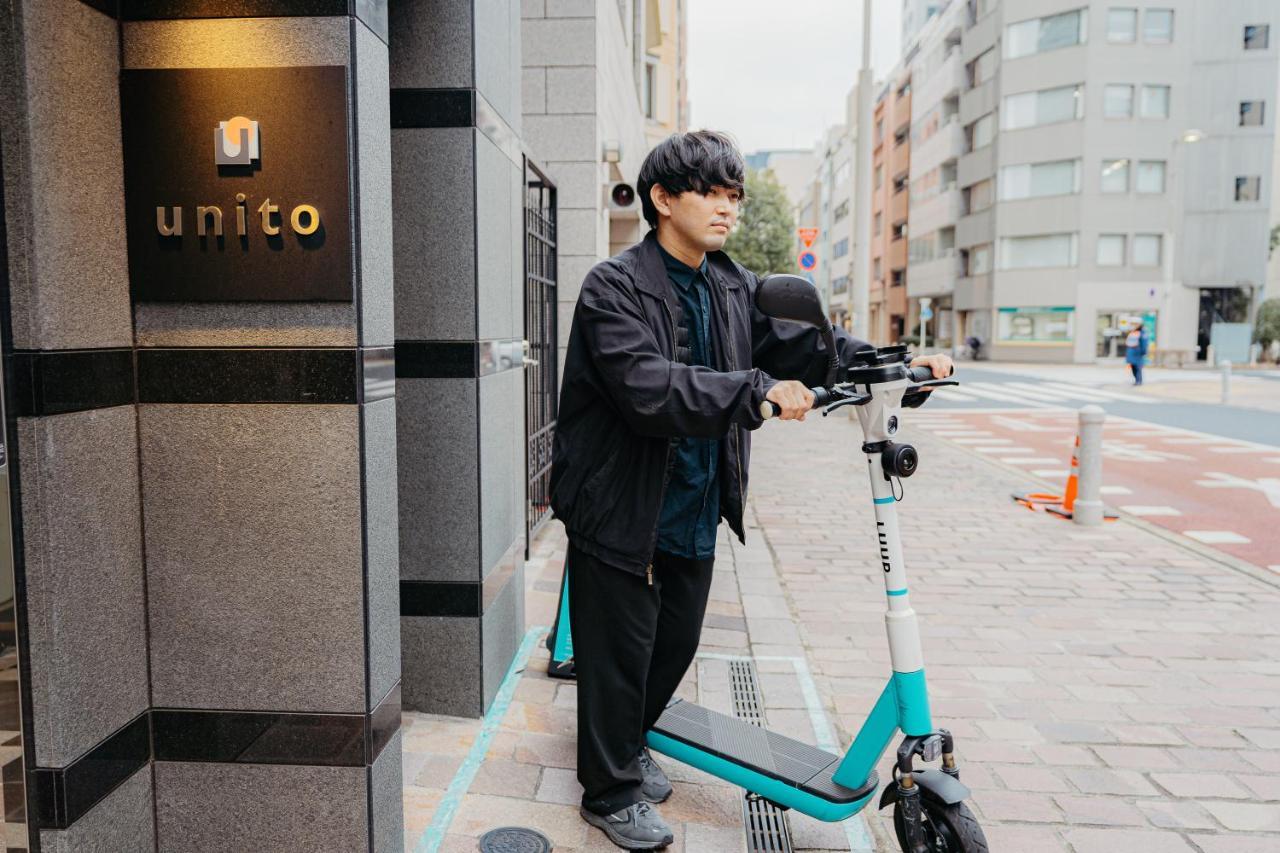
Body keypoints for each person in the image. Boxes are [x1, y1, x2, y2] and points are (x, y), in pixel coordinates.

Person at [548, 130, 953, 851]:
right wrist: (755, 390)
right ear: (663, 199)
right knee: (618, 657)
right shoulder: (614, 287)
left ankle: (629, 742)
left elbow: (804, 347)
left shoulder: (730, 284)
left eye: (734, 194)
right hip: (621, 505)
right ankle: (609, 790)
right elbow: (648, 387)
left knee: (671, 647)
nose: (726, 207)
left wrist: (891, 362)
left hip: (696, 503)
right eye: (711, 192)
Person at [1125, 321, 1149, 385]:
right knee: (1133, 367)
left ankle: (1139, 381)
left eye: (1136, 324)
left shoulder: (1142, 333)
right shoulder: (1132, 332)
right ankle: (1136, 380)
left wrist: (1143, 352)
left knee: (1138, 367)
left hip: (1137, 353)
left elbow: (1144, 344)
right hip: (1131, 352)